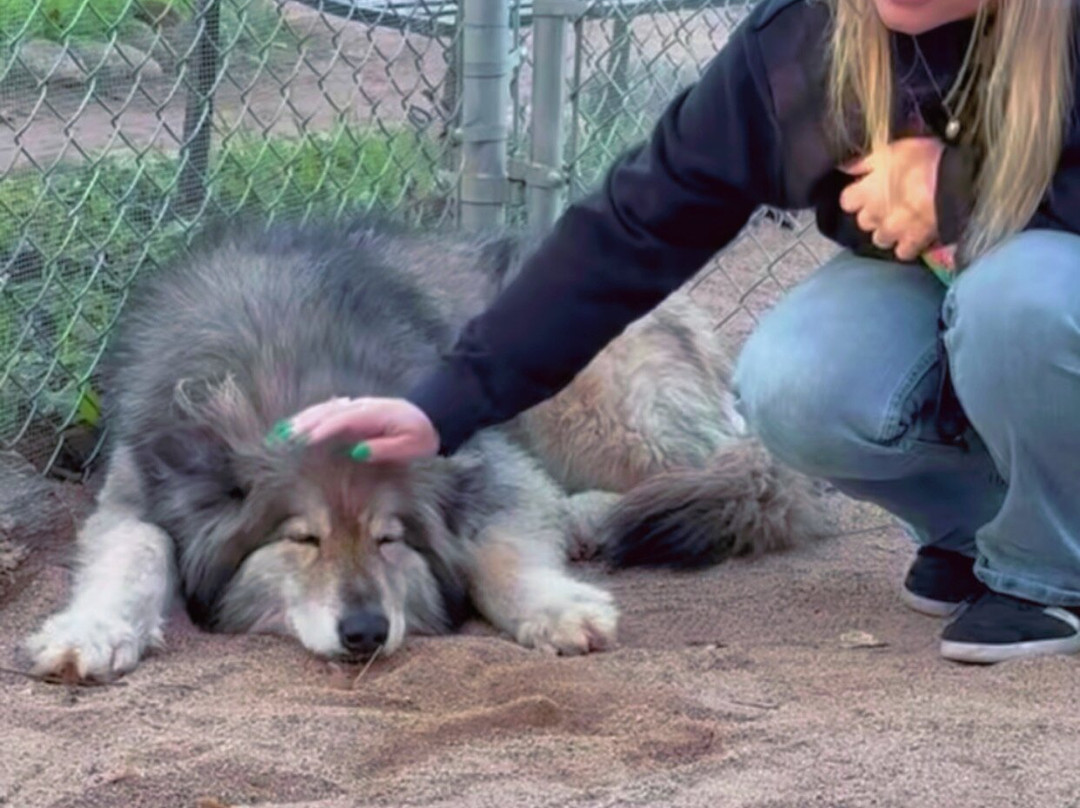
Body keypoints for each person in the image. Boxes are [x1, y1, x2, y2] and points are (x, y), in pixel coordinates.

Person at [281, 0, 1080, 665]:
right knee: (797, 379)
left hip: (1047, 288)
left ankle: (1049, 572)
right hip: (949, 285)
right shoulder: (809, 37)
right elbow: (637, 227)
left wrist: (965, 190)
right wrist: (441, 408)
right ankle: (977, 529)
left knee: (1021, 301)